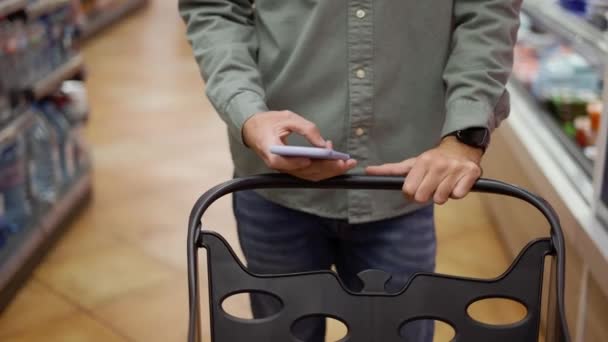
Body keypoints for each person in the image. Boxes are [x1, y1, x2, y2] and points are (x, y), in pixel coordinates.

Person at [179, 0, 521, 340]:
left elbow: (488, 13)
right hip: (274, 187)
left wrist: (465, 134)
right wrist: (245, 110)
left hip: (401, 188)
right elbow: (215, 7)